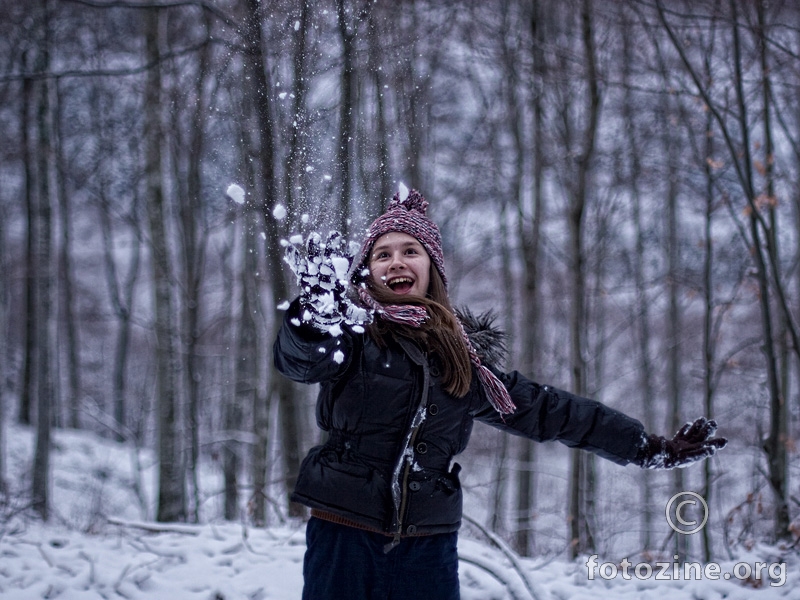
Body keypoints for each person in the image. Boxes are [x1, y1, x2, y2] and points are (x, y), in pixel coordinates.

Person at [274, 188, 727, 600]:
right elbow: (301, 359)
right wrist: (310, 318)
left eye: (410, 251)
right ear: (367, 273)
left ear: (432, 269)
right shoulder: (352, 335)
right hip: (346, 533)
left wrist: (645, 446)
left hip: (427, 541)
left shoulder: (462, 361)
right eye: (382, 254)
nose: (396, 262)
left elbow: (549, 412)